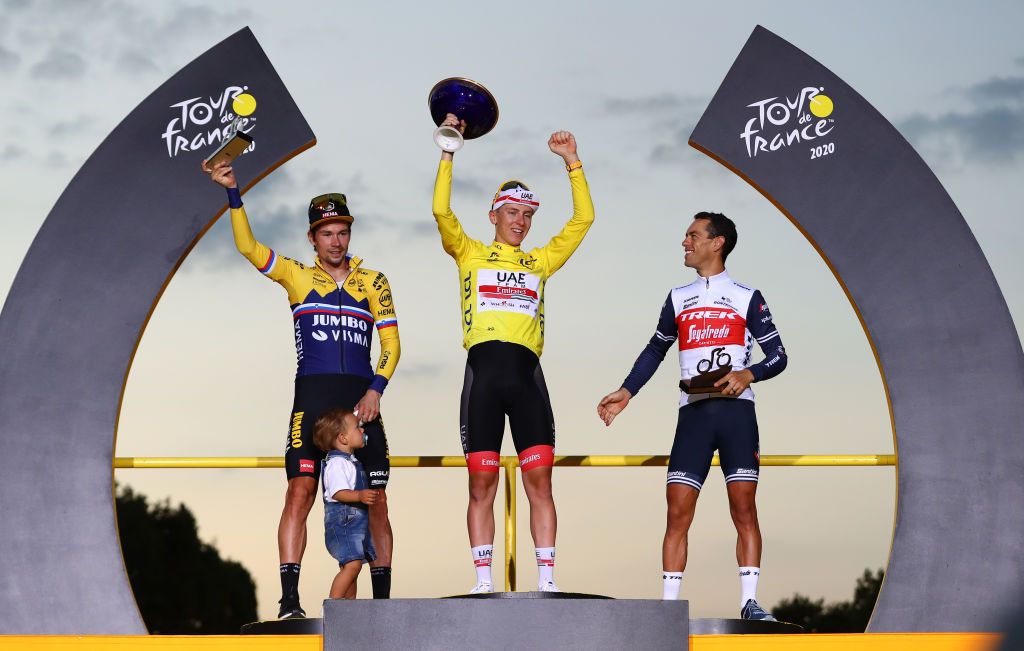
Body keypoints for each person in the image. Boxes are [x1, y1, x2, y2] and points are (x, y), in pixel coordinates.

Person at [202, 159, 400, 618]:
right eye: (327, 233)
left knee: (378, 500)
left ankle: (383, 608)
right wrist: (233, 192)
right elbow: (248, 247)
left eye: (342, 232)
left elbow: (392, 344)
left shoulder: (374, 281)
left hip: (360, 401)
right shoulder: (297, 275)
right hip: (312, 398)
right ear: (313, 238)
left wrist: (375, 390)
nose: (336, 241)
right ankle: (289, 600)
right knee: (300, 491)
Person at [431, 114, 595, 593]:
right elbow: (441, 212)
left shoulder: (539, 261)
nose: (520, 222)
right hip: (483, 379)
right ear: (494, 216)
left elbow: (583, 220)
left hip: (527, 381)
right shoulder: (469, 253)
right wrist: (448, 151)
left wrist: (572, 163)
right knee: (481, 486)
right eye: (512, 213)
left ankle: (547, 580)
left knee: (540, 484)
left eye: (527, 215)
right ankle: (483, 581)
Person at [597, 212, 787, 621]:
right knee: (677, 512)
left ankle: (750, 602)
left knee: (743, 507)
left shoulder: (746, 296)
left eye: (693, 235)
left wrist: (748, 374)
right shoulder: (678, 297)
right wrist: (627, 391)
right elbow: (655, 349)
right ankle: (669, 608)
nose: (685, 242)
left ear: (717, 243)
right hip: (693, 415)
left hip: (737, 414)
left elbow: (779, 355)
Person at [314, 407, 379, 600]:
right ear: (343, 438)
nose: (362, 430)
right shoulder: (337, 464)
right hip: (343, 524)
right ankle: (334, 604)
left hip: (354, 524)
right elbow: (337, 492)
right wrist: (359, 496)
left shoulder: (351, 462)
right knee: (352, 565)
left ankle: (348, 606)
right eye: (357, 427)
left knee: (352, 566)